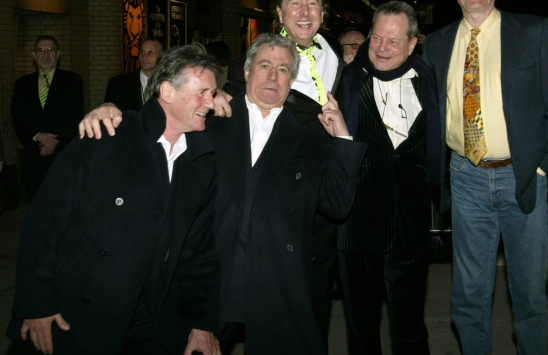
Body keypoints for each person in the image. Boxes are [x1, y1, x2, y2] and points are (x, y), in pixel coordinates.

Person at [77, 33, 366, 355]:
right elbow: (159, 120)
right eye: (264, 66)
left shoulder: (310, 135)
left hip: (278, 281)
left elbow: (337, 206)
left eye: (283, 70)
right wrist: (109, 110)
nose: (273, 77)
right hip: (211, 278)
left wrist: (343, 138)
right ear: (245, 72)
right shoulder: (209, 120)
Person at [7, 45, 222, 355]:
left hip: (152, 312)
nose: (210, 103)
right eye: (203, 92)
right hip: (78, 306)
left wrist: (201, 322)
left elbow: (199, 252)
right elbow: (44, 222)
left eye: (213, 93)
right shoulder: (108, 136)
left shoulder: (201, 161)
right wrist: (36, 302)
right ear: (167, 91)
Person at [421, 0, 548, 355]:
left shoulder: (534, 31)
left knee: (529, 296)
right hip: (465, 178)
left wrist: (542, 168)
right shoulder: (435, 46)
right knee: (468, 296)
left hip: (523, 178)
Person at [223, 0, 346, 345]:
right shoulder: (255, 63)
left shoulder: (340, 60)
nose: (304, 11)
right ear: (278, 12)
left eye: (312, 3)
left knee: (315, 296)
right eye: (294, 2)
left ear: (323, 13)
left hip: (325, 200)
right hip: (276, 202)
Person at [338, 1, 440, 355]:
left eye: (393, 41)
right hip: (358, 227)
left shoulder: (428, 80)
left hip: (409, 227)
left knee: (410, 327)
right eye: (376, 37)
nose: (381, 47)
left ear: (413, 44)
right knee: (362, 330)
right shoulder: (346, 81)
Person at [11, 35, 84, 200]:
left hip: (61, 153)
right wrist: (38, 137)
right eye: (41, 50)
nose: (45, 54)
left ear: (58, 54)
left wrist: (52, 142)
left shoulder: (72, 81)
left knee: (61, 201)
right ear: (34, 55)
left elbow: (74, 116)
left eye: (50, 49)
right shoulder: (22, 84)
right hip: (33, 155)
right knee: (36, 203)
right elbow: (18, 117)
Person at [104, 38, 163, 111]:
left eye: (150, 53)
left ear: (160, 57)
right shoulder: (117, 84)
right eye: (142, 52)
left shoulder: (169, 83)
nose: (144, 57)